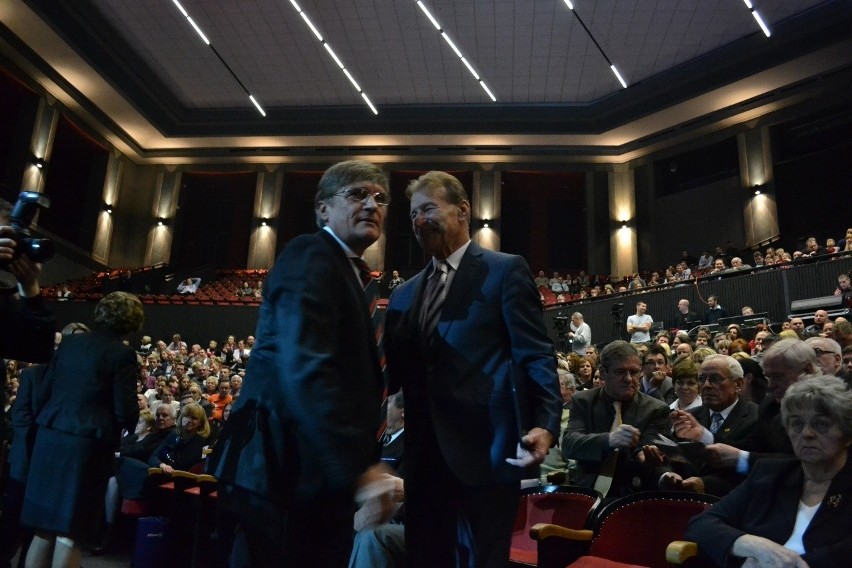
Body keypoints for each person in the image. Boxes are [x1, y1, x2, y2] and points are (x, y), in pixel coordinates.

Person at [210, 160, 391, 567]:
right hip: (278, 470)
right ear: (323, 209)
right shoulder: (310, 254)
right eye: (357, 194)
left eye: (380, 198)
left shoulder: (357, 278)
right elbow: (308, 367)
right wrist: (359, 470)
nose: (371, 204)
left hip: (311, 475)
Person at [384, 171, 560, 568]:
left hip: (487, 453)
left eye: (428, 208)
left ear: (463, 210)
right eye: (413, 214)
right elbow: (392, 376)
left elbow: (535, 352)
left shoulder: (504, 270)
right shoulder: (403, 293)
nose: (418, 220)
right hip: (424, 459)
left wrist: (546, 423)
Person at [20, 291, 143, 568]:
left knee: (43, 528)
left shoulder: (70, 343)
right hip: (85, 446)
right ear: (131, 322)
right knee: (69, 533)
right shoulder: (122, 353)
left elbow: (44, 391)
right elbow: (124, 409)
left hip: (50, 436)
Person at [685, 376, 852, 567]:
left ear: (847, 435)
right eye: (797, 424)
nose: (807, 433)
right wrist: (754, 546)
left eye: (821, 424)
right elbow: (700, 525)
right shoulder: (770, 473)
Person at [562, 340, 671, 499]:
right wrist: (609, 440)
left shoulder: (656, 409)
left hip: (633, 496)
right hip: (586, 492)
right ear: (603, 372)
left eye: (634, 372)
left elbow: (647, 452)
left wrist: (644, 458)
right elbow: (569, 444)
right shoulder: (582, 401)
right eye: (620, 372)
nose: (628, 379)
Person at [148, 403, 210, 472]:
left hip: (181, 478)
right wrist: (161, 465)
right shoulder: (175, 434)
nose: (189, 420)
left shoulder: (199, 441)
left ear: (200, 423)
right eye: (186, 416)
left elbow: (181, 466)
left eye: (194, 418)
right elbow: (153, 456)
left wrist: (165, 467)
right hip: (163, 471)